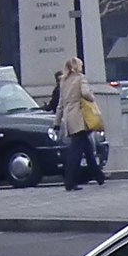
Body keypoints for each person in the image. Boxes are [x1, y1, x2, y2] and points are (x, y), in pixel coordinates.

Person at [54, 56, 105, 189]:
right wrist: (92, 96)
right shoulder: (80, 78)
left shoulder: (63, 81)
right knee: (75, 153)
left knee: (87, 149)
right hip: (80, 119)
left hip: (69, 119)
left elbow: (60, 104)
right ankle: (70, 182)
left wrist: (57, 123)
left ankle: (99, 176)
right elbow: (86, 93)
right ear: (77, 66)